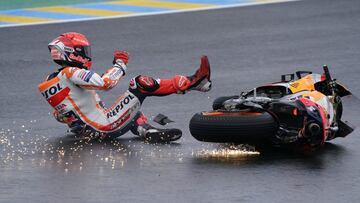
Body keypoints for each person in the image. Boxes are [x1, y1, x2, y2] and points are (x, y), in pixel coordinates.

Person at [38, 32, 211, 142]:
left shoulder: (52, 80)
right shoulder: (71, 72)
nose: (86, 55)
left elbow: (60, 114)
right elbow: (106, 83)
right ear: (73, 53)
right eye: (83, 51)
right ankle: (193, 82)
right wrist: (120, 65)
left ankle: (147, 131)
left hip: (87, 133)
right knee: (140, 83)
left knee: (133, 111)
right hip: (104, 126)